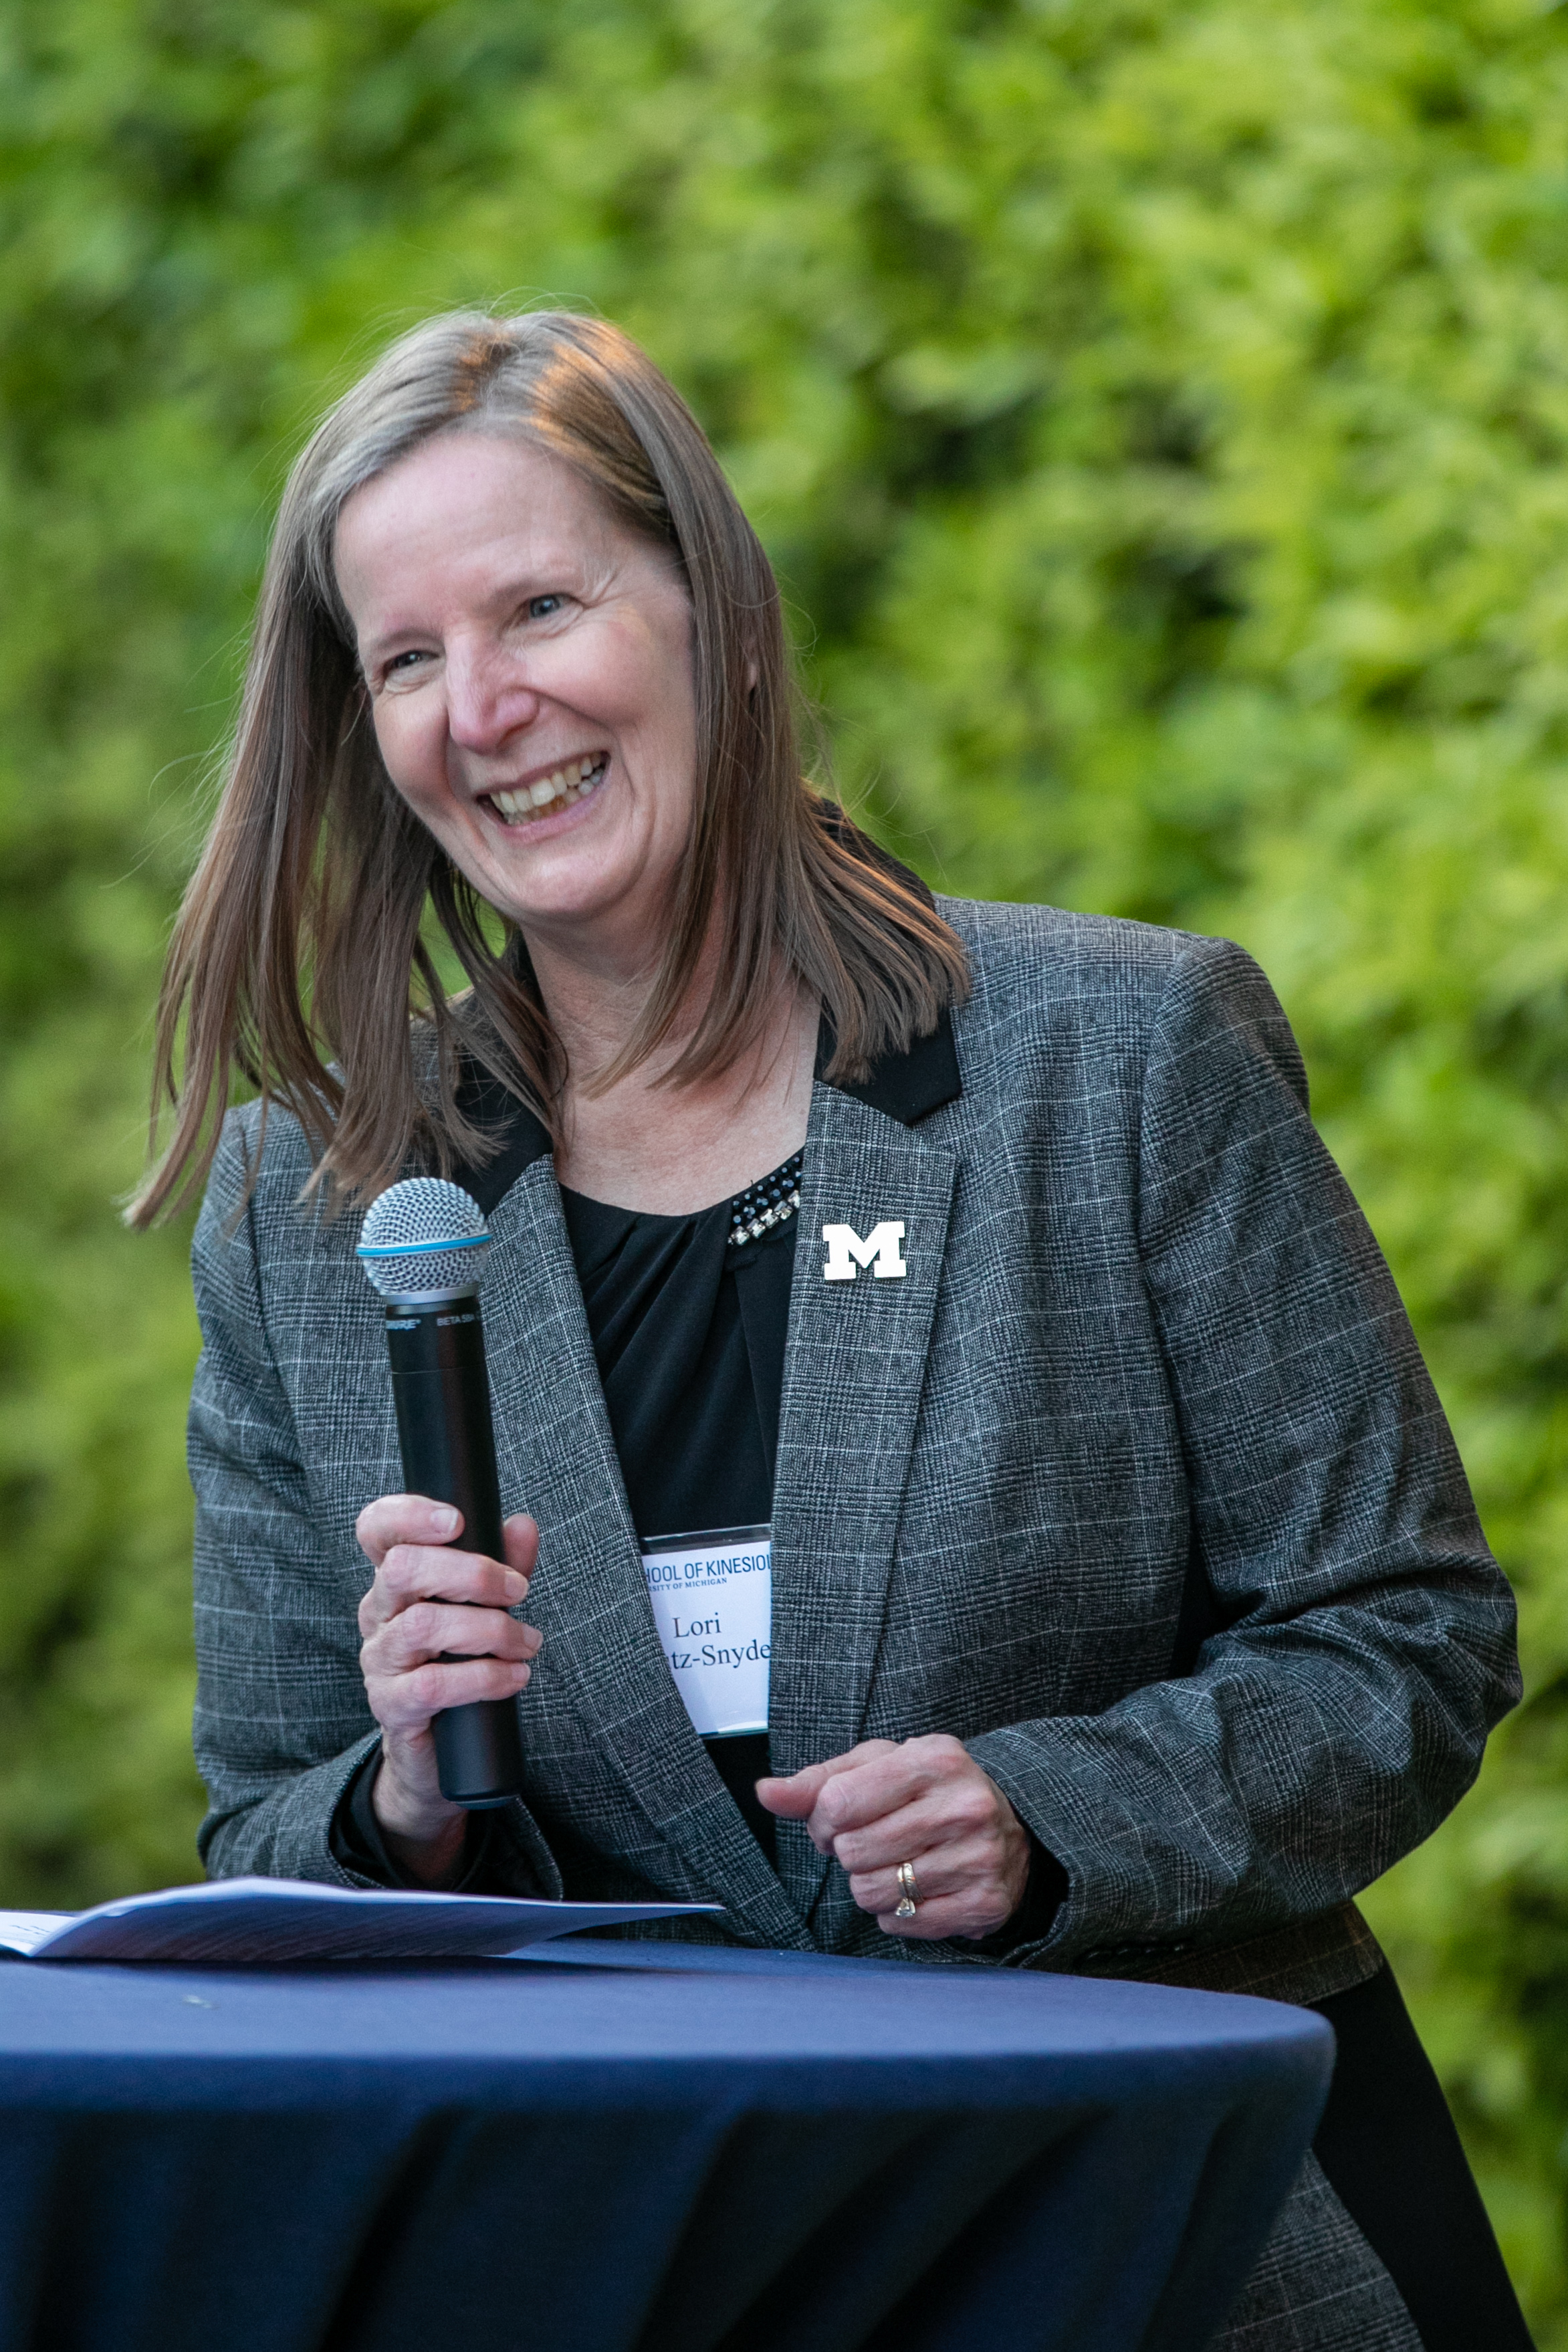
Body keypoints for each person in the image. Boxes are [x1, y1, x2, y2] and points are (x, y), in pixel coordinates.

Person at [134, 309, 1531, 2351]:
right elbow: (264, 1818)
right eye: (406, 659)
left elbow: (1402, 1637)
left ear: (720, 616)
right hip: (626, 2265)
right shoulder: (318, 1199)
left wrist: (1051, 1818)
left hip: (1159, 2242)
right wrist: (401, 1804)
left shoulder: (1117, 1058)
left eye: (541, 607)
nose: (487, 707)